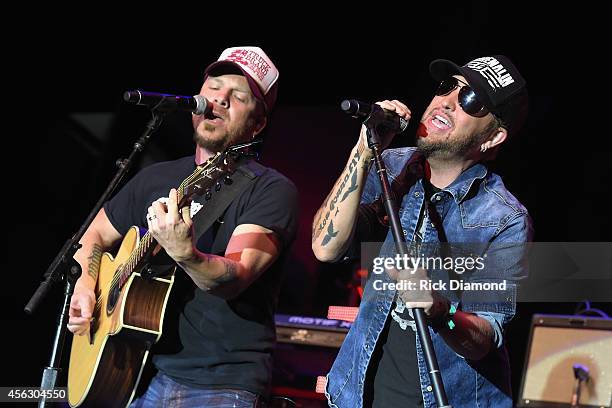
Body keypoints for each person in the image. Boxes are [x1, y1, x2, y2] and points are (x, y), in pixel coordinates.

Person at [68, 46, 299, 407]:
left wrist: (185, 254)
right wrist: (86, 283)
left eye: (237, 96)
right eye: (214, 88)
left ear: (258, 122)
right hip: (133, 369)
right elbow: (91, 237)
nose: (219, 100)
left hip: (216, 382)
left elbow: (234, 278)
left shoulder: (270, 190)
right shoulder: (156, 176)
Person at [312, 55, 533, 407]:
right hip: (357, 395)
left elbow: (486, 337)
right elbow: (326, 247)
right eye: (448, 87)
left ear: (493, 137)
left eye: (470, 99)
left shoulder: (503, 218)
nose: (446, 101)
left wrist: (438, 310)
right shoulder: (391, 166)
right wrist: (363, 151)